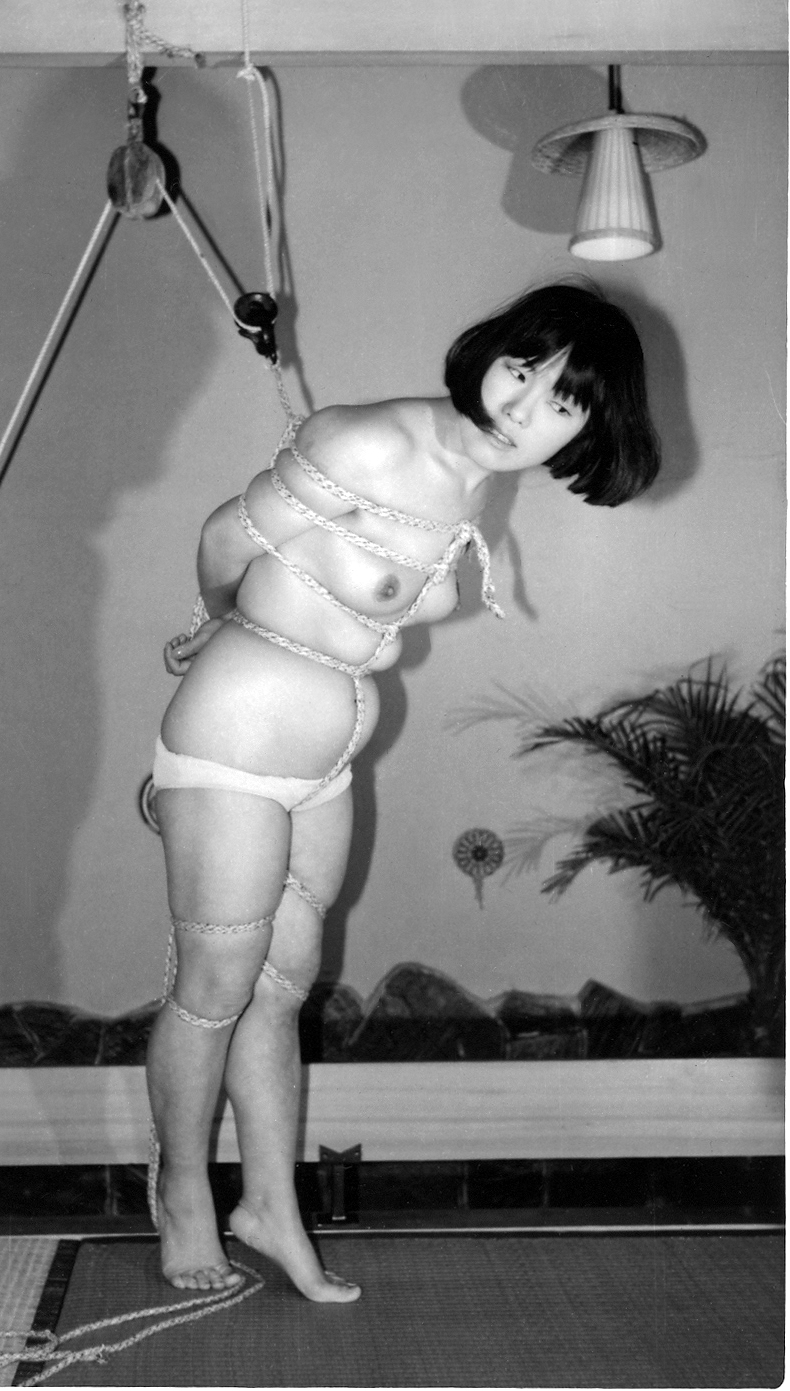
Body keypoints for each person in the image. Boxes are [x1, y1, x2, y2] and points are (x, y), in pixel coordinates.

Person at [145, 281, 660, 1299]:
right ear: (490, 350)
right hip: (237, 731)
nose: (523, 405)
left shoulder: (472, 479)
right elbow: (222, 539)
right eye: (523, 367)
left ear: (587, 425)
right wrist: (216, 625)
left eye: (562, 400)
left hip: (324, 750)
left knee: (280, 989)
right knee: (214, 987)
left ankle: (269, 1207)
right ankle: (183, 1196)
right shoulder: (372, 442)